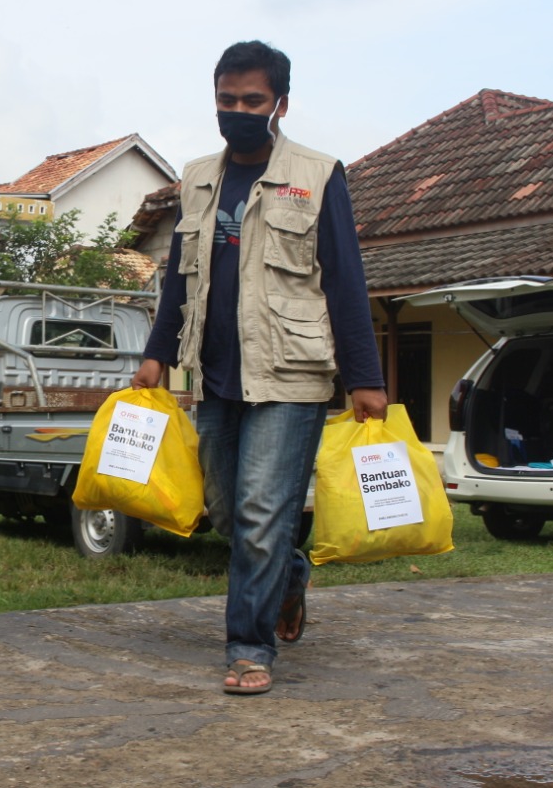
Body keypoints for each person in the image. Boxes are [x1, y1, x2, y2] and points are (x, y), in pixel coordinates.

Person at [132, 40, 387, 695]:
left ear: (280, 104)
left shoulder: (319, 173)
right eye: (227, 100)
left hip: (293, 375)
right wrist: (157, 354)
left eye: (252, 100)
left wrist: (366, 376)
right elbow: (178, 281)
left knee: (259, 510)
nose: (239, 111)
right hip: (213, 376)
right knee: (225, 510)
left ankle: (249, 647)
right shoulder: (196, 179)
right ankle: (290, 575)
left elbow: (346, 280)